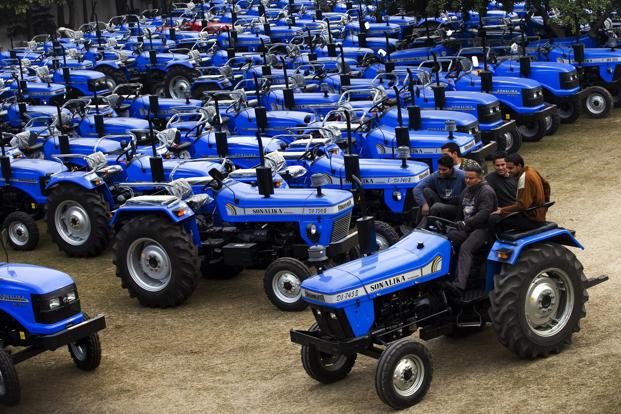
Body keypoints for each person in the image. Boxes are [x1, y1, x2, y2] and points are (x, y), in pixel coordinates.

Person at [447, 164, 498, 291]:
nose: (467, 180)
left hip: (483, 229)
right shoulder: (466, 191)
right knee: (448, 238)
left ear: (479, 178)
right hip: (469, 227)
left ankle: (459, 285)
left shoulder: (486, 192)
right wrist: (455, 225)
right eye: (466, 178)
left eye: (471, 178)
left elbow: (484, 214)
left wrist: (466, 223)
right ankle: (447, 276)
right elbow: (460, 213)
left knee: (466, 248)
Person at [489, 153, 551, 235]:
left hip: (532, 219)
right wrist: (544, 206)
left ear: (519, 166)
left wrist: (502, 210)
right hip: (537, 215)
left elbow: (522, 205)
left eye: (511, 168)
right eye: (507, 167)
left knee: (494, 219)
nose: (508, 170)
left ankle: (501, 241)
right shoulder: (531, 170)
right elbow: (546, 186)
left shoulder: (524, 178)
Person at [414, 155, 466, 222]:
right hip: (442, 201)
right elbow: (417, 189)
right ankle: (418, 224)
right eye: (439, 169)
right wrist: (424, 204)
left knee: (436, 206)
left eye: (444, 170)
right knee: (426, 191)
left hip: (456, 207)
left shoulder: (462, 176)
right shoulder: (436, 175)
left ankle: (427, 224)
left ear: (451, 168)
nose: (441, 172)